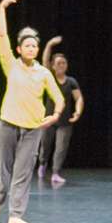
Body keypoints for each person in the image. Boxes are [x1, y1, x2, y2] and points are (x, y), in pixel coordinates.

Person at [0, 0, 64, 223]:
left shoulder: (44, 73)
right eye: (27, 45)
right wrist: (2, 8)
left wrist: (54, 116)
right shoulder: (11, 65)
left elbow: (59, 98)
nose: (31, 48)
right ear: (19, 49)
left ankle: (15, 215)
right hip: (8, 124)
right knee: (4, 169)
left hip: (32, 129)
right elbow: (2, 35)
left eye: (34, 45)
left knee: (23, 173)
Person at [37, 36, 83, 184]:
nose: (61, 65)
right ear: (53, 66)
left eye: (64, 63)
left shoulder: (71, 81)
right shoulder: (49, 77)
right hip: (48, 120)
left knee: (61, 148)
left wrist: (78, 112)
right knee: (45, 145)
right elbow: (44, 60)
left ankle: (55, 173)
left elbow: (79, 98)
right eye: (58, 63)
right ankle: (42, 164)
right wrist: (49, 44)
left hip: (65, 121)